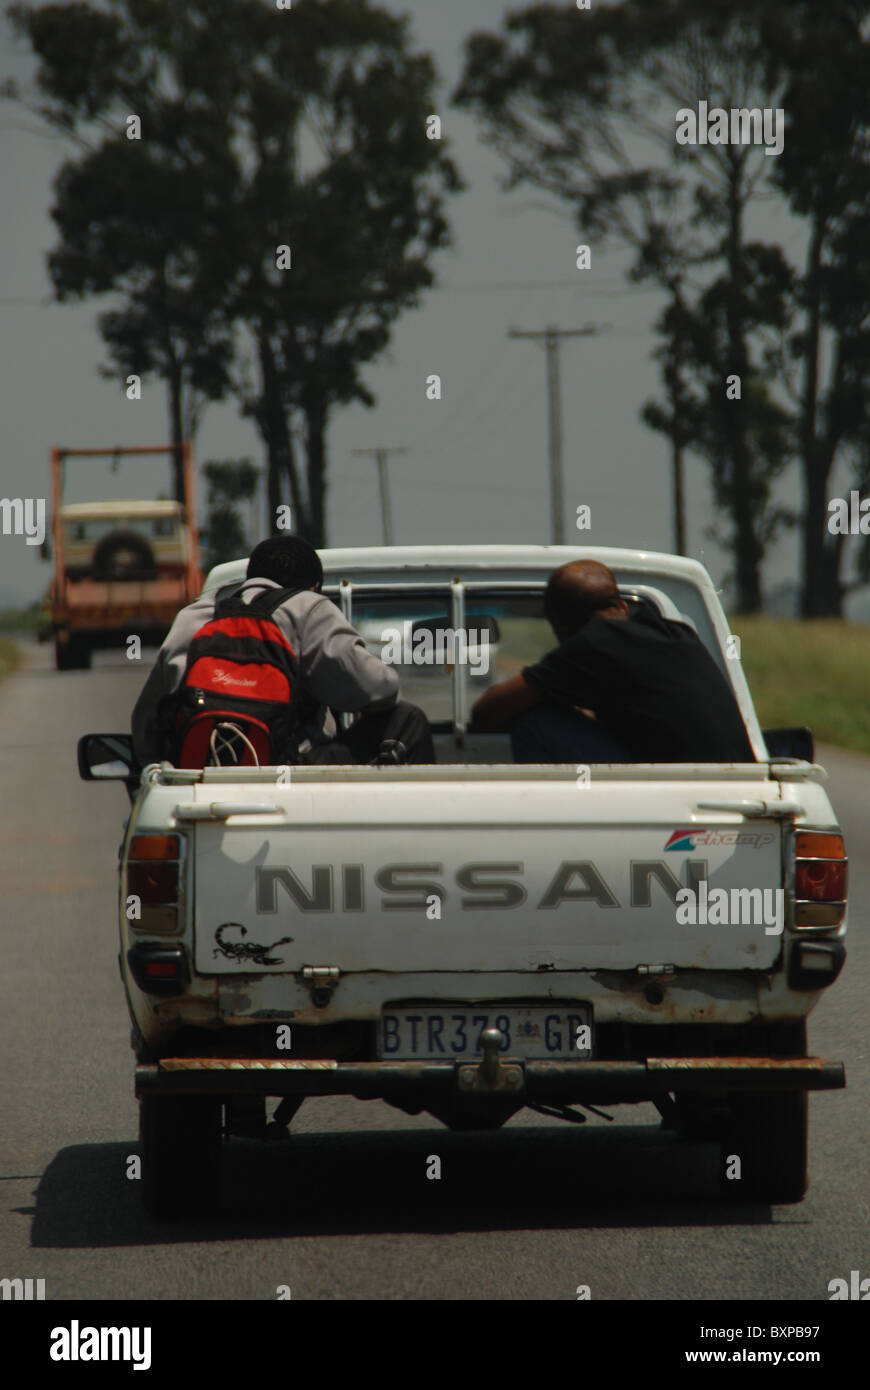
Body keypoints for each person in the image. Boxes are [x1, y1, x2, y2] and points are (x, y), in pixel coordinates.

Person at [131, 535, 434, 767]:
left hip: (201, 772)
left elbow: (147, 721)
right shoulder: (308, 607)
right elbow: (374, 690)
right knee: (408, 718)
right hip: (285, 771)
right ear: (314, 586)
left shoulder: (193, 616)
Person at [470, 559, 756, 763]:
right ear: (620, 605)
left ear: (561, 625)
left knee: (533, 723)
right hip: (733, 779)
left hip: (670, 784)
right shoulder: (675, 632)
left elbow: (486, 711)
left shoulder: (592, 642)